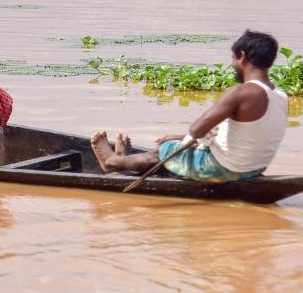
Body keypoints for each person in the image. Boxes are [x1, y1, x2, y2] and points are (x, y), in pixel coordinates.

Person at [90, 30, 288, 182]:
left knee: (165, 150)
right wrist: (178, 137)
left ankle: (112, 162)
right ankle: (126, 162)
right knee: (175, 148)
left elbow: (197, 129)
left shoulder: (241, 92)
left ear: (242, 56)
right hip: (254, 169)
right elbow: (239, 135)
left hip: (225, 169)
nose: (232, 64)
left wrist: (174, 141)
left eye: (233, 58)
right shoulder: (280, 96)